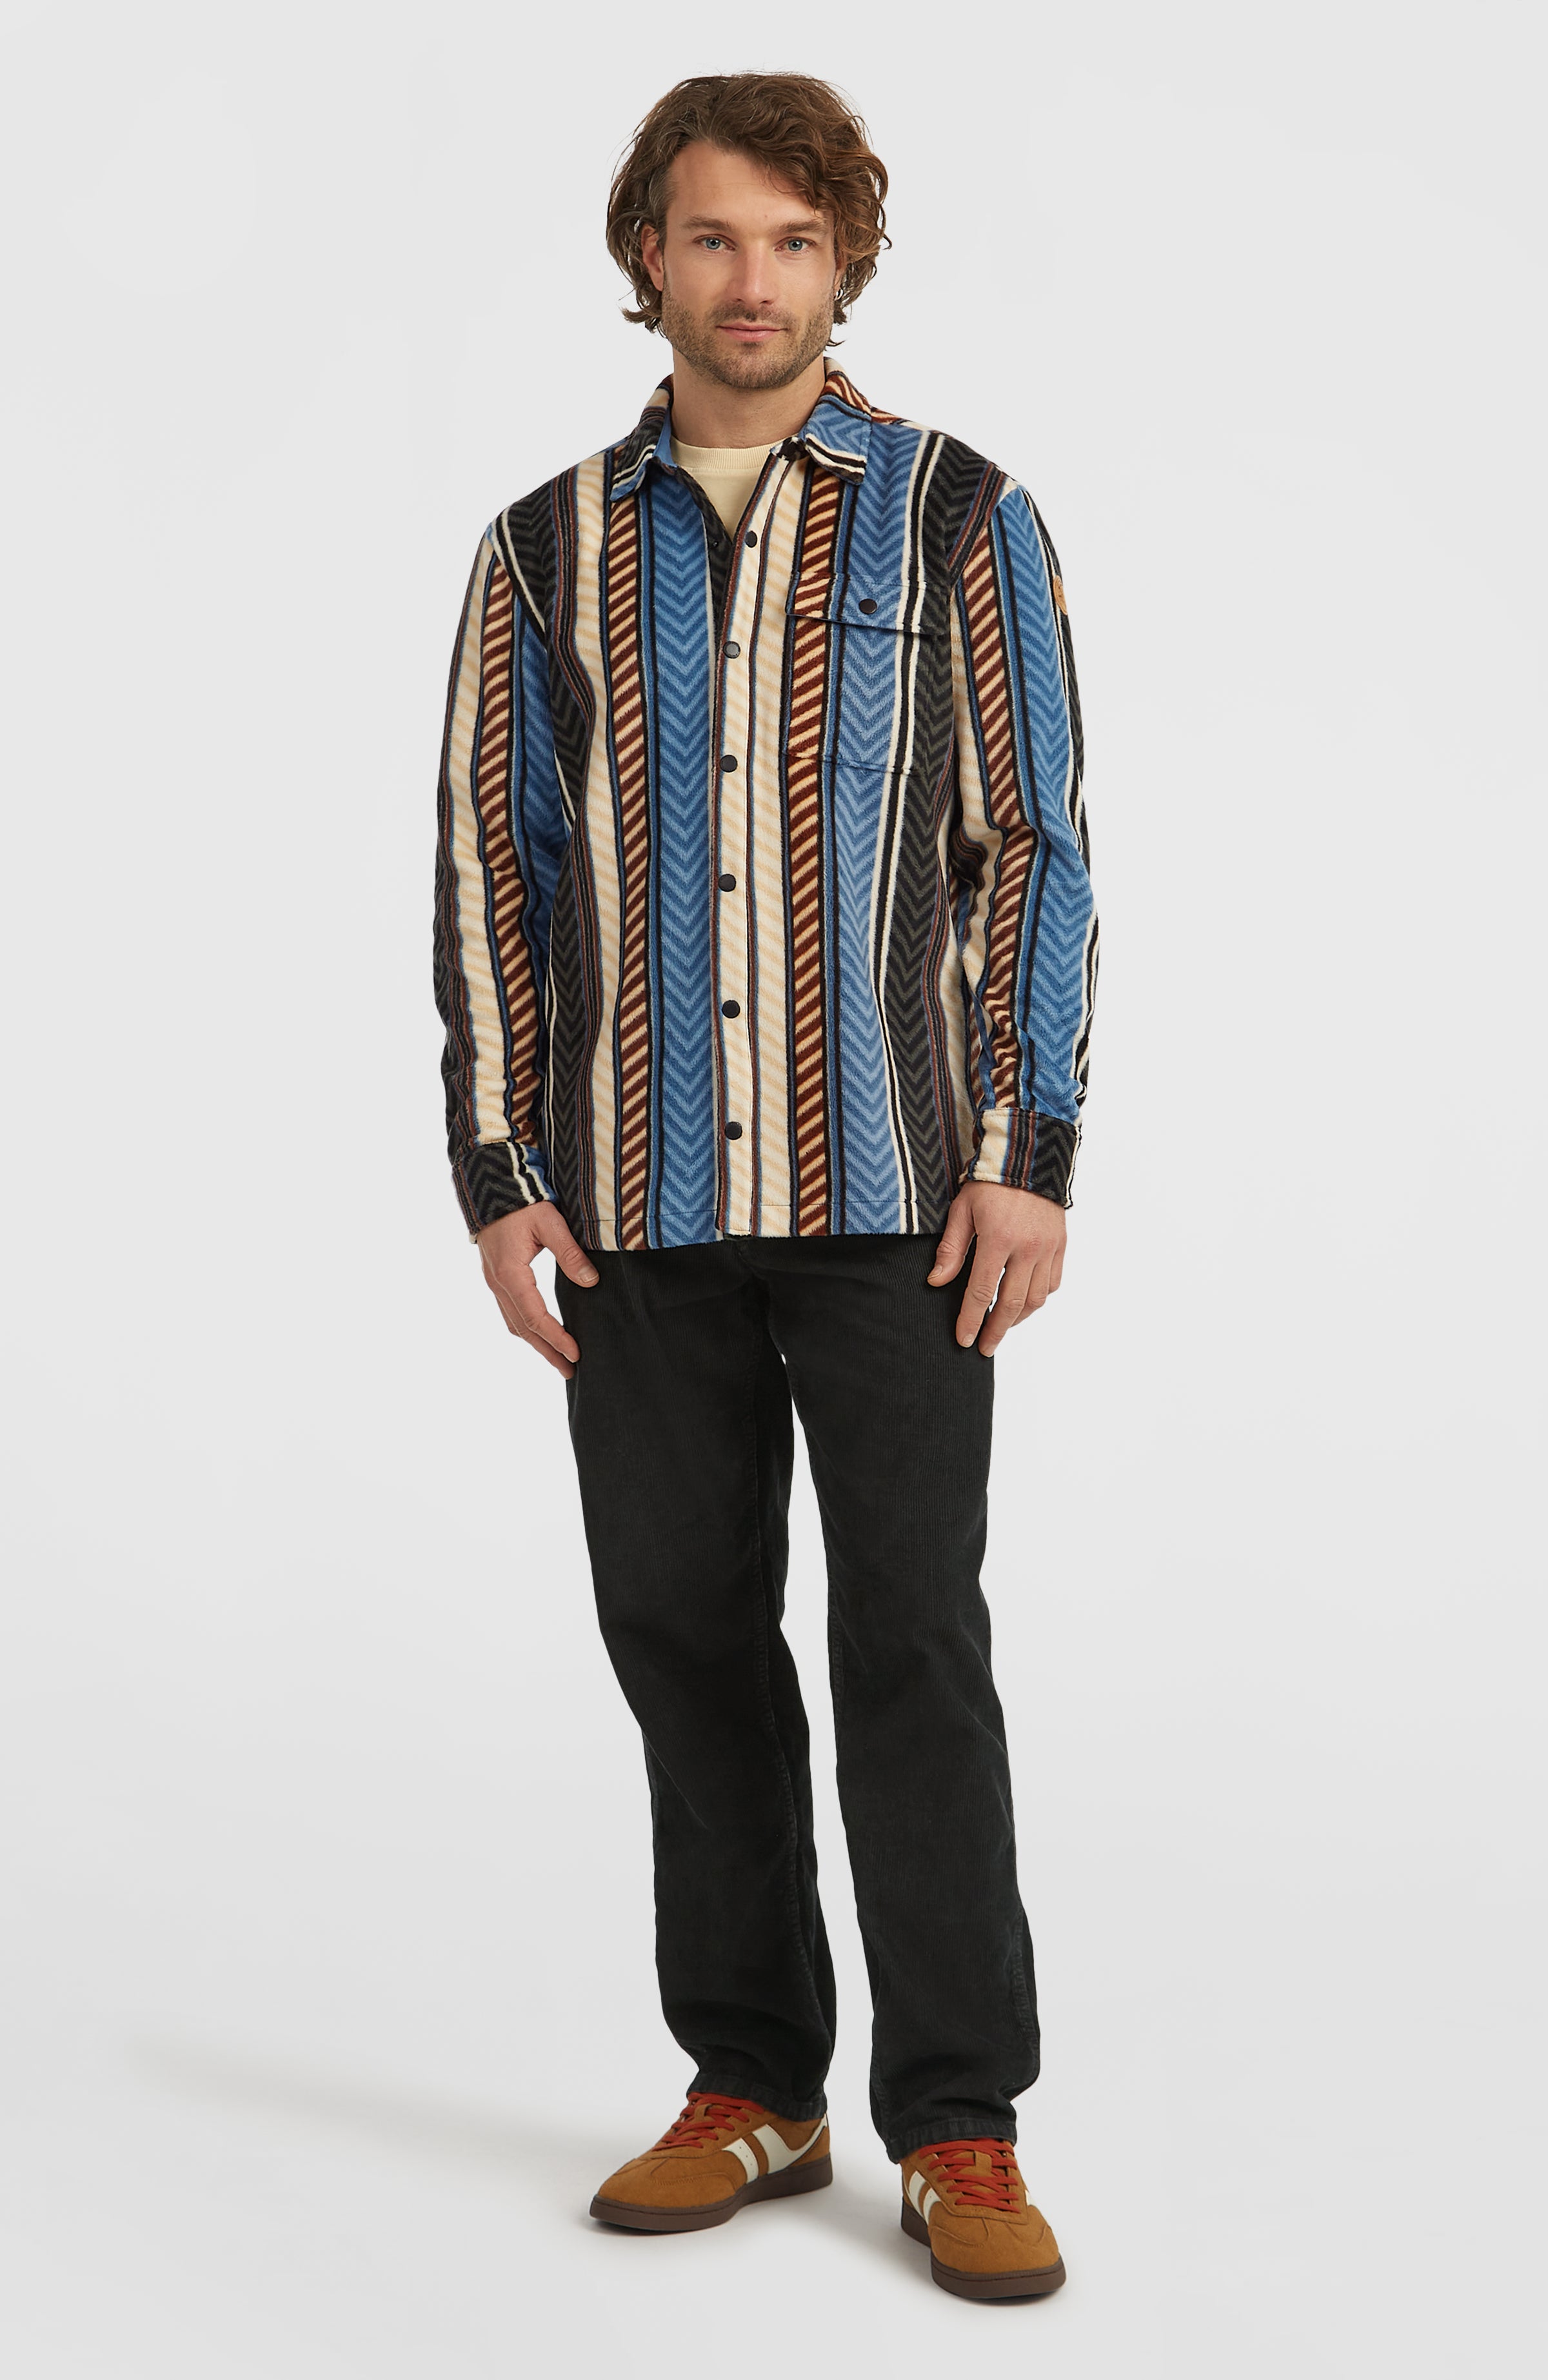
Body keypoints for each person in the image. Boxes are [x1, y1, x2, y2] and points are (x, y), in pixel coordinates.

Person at [433, 71, 1095, 2302]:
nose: (753, 282)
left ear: (844, 263)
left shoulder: (961, 514)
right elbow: (495, 872)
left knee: (914, 1637)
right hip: (633, 1203)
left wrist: (1029, 1155)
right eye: (714, 237)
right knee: (685, 1634)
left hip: (903, 1189)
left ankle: (963, 2117)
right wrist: (500, 1170)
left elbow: (1039, 850)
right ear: (649, 253)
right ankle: (754, 2081)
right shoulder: (542, 546)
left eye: (795, 243)